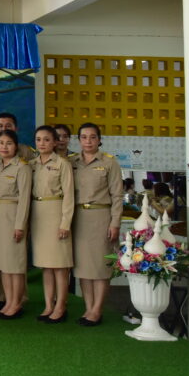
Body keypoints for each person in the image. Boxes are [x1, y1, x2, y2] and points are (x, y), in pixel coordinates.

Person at [70, 122, 123, 327]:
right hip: (78, 218)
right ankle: (88, 308)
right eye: (84, 137)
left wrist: (115, 222)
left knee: (101, 267)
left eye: (93, 137)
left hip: (101, 216)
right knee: (83, 267)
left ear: (99, 139)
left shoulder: (109, 162)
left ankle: (97, 310)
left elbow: (117, 195)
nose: (88, 141)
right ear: (79, 140)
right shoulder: (72, 161)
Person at [30, 125, 75, 324]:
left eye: (47, 139)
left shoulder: (62, 164)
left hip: (56, 214)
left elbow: (69, 196)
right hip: (38, 215)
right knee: (46, 266)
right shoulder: (32, 164)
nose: (42, 143)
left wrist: (65, 223)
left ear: (55, 142)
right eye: (39, 139)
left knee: (60, 266)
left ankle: (61, 306)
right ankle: (48, 305)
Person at [0, 129, 32, 319]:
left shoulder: (22, 167)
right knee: (3, 264)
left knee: (15, 264)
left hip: (13, 216)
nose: (4, 147)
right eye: (1, 143)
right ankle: (8, 302)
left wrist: (20, 225)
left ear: (16, 146)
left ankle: (16, 303)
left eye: (9, 143)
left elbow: (24, 199)